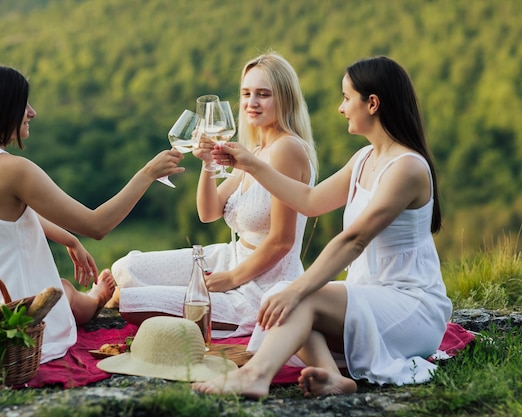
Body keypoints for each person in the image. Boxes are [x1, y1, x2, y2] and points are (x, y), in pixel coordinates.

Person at [192, 56, 452, 398]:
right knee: (284, 298)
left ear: (372, 103)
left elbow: (354, 240)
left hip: (410, 307)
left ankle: (255, 375)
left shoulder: (407, 168)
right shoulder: (363, 159)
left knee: (294, 298)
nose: (340, 108)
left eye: (346, 98)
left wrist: (298, 288)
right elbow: (310, 201)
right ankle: (334, 378)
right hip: (369, 298)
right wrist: (252, 164)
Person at [0, 64, 184, 363]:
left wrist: (67, 238)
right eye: (23, 104)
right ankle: (95, 299)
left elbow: (1, 217)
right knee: (62, 291)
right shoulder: (14, 169)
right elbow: (97, 225)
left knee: (61, 288)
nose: (32, 112)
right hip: (3, 322)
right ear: (1, 110)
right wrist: (147, 173)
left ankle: (90, 298)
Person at [108, 52, 318, 338]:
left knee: (134, 301)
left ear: (285, 98)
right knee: (126, 268)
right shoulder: (255, 150)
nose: (251, 103)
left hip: (261, 284)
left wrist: (231, 279)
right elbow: (208, 213)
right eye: (246, 93)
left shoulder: (287, 150)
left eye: (263, 94)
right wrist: (208, 163)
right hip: (227, 257)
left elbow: (282, 240)